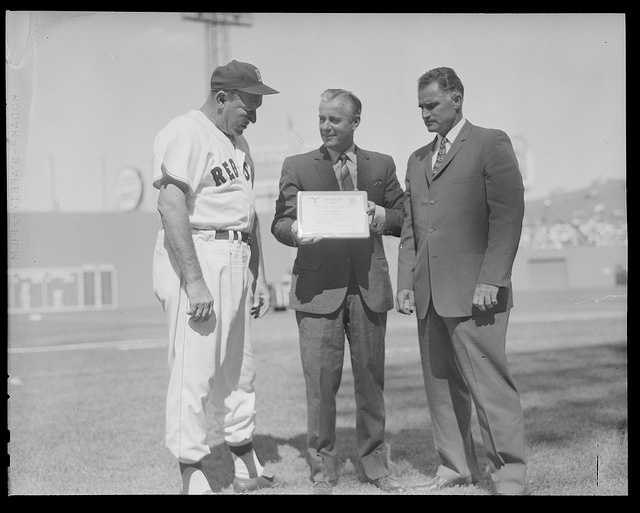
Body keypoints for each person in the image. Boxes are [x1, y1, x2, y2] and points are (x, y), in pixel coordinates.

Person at [396, 67, 527, 495]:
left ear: (457, 98)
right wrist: (405, 282)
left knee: (489, 384)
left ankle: (510, 474)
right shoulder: (416, 160)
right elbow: (413, 229)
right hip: (429, 292)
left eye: (431, 105)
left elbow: (508, 216)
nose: (424, 114)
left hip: (478, 294)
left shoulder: (491, 143)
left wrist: (492, 278)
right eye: (420, 107)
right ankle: (455, 466)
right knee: (440, 388)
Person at [152, 60, 278, 494]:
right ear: (222, 96)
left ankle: (244, 457)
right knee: (194, 367)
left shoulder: (239, 144)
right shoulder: (185, 130)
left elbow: (248, 216)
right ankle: (191, 471)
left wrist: (258, 276)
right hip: (200, 251)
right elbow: (171, 205)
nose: (255, 115)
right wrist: (194, 279)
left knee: (239, 368)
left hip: (237, 253)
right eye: (250, 103)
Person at [271, 89, 405, 494]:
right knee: (320, 384)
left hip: (368, 289)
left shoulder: (381, 165)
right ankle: (323, 470)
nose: (326, 127)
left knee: (370, 381)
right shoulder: (297, 165)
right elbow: (280, 221)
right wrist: (294, 232)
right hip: (317, 293)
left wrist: (383, 217)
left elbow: (404, 217)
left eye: (335, 120)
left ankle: (375, 464)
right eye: (322, 119)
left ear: (355, 122)